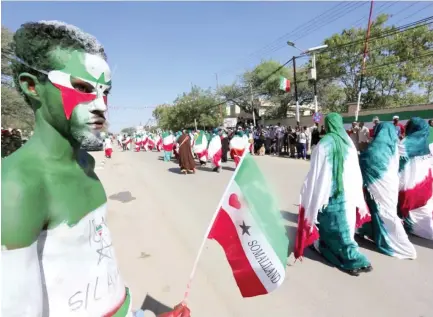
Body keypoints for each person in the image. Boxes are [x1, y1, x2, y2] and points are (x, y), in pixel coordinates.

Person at [1, 20, 187, 317]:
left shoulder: (86, 163)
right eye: (83, 88)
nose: (101, 105)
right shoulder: (16, 186)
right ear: (32, 86)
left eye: (105, 92)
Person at [295, 113, 372, 276]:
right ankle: (351, 255)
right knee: (344, 228)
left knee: (334, 228)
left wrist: (310, 192)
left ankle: (353, 258)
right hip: (348, 194)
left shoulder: (324, 144)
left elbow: (316, 173)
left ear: (328, 125)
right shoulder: (349, 143)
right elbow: (354, 171)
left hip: (329, 196)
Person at [358, 122, 416, 259]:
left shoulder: (375, 148)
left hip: (378, 187)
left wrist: (361, 157)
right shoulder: (393, 145)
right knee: (383, 212)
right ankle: (374, 233)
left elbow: (366, 160)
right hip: (390, 185)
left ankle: (400, 244)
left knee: (383, 213)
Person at [398, 117, 433, 240]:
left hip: (408, 185)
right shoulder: (426, 143)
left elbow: (397, 165)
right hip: (426, 184)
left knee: (411, 209)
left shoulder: (404, 144)